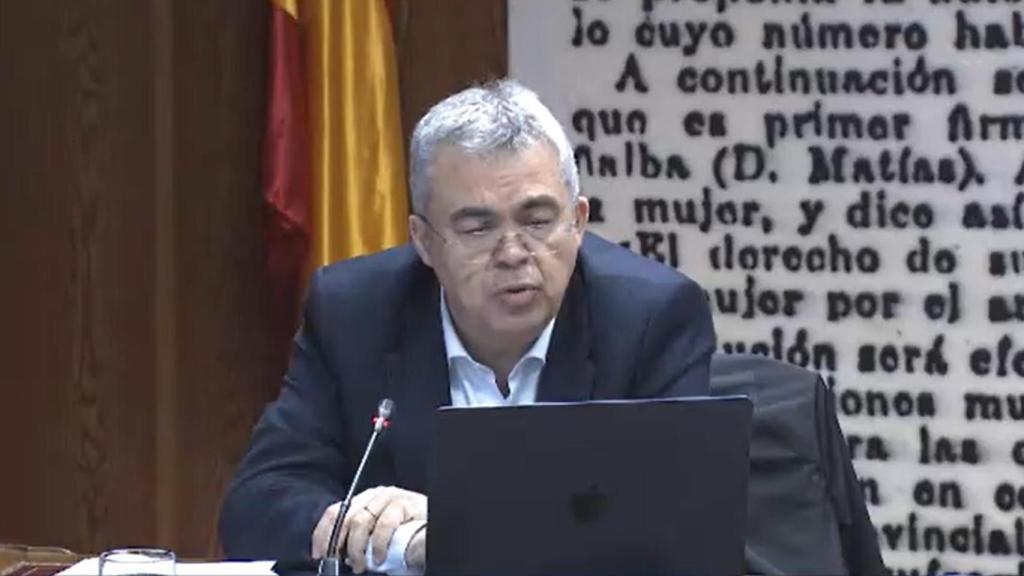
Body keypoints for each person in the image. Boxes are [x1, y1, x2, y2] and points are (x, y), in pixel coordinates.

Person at [219, 79, 716, 574]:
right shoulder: (356, 313)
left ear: (579, 221)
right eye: (478, 228)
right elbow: (258, 506)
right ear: (423, 241)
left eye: (538, 220)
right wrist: (389, 537)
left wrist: (452, 534)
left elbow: (680, 526)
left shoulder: (652, 318)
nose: (514, 253)